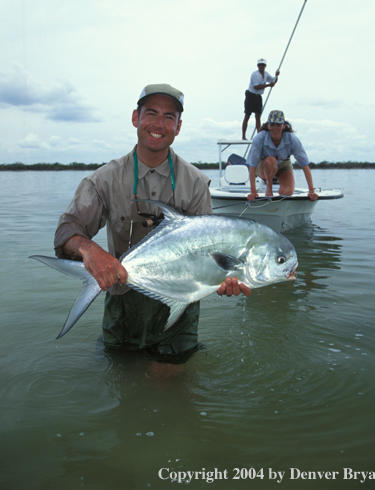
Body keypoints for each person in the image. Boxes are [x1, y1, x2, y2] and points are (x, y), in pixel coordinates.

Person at [54, 84, 250, 372]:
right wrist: (90, 250)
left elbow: (213, 252)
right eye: (151, 114)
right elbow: (66, 230)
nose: (159, 124)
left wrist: (226, 277)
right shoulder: (104, 180)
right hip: (122, 303)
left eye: (169, 117)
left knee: (167, 391)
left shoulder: (195, 183)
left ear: (179, 127)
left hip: (180, 305)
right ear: (136, 117)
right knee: (122, 381)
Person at [246, 110, 319, 202]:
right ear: (268, 125)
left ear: (284, 126)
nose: (275, 128)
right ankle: (269, 185)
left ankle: (281, 190)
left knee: (288, 192)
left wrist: (311, 191)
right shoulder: (259, 138)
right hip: (264, 167)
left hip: (283, 164)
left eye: (278, 125)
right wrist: (253, 192)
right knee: (271, 161)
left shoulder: (292, 139)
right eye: (272, 125)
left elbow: (305, 165)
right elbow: (252, 166)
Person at [242, 58, 280, 140]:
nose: (261, 66)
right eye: (260, 65)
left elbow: (273, 80)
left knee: (258, 117)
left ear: (265, 66)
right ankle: (244, 136)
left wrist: (276, 76)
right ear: (257, 66)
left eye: (263, 65)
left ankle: (258, 135)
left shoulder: (266, 74)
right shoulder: (254, 74)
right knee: (247, 116)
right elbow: (256, 86)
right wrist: (268, 85)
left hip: (258, 97)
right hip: (251, 96)